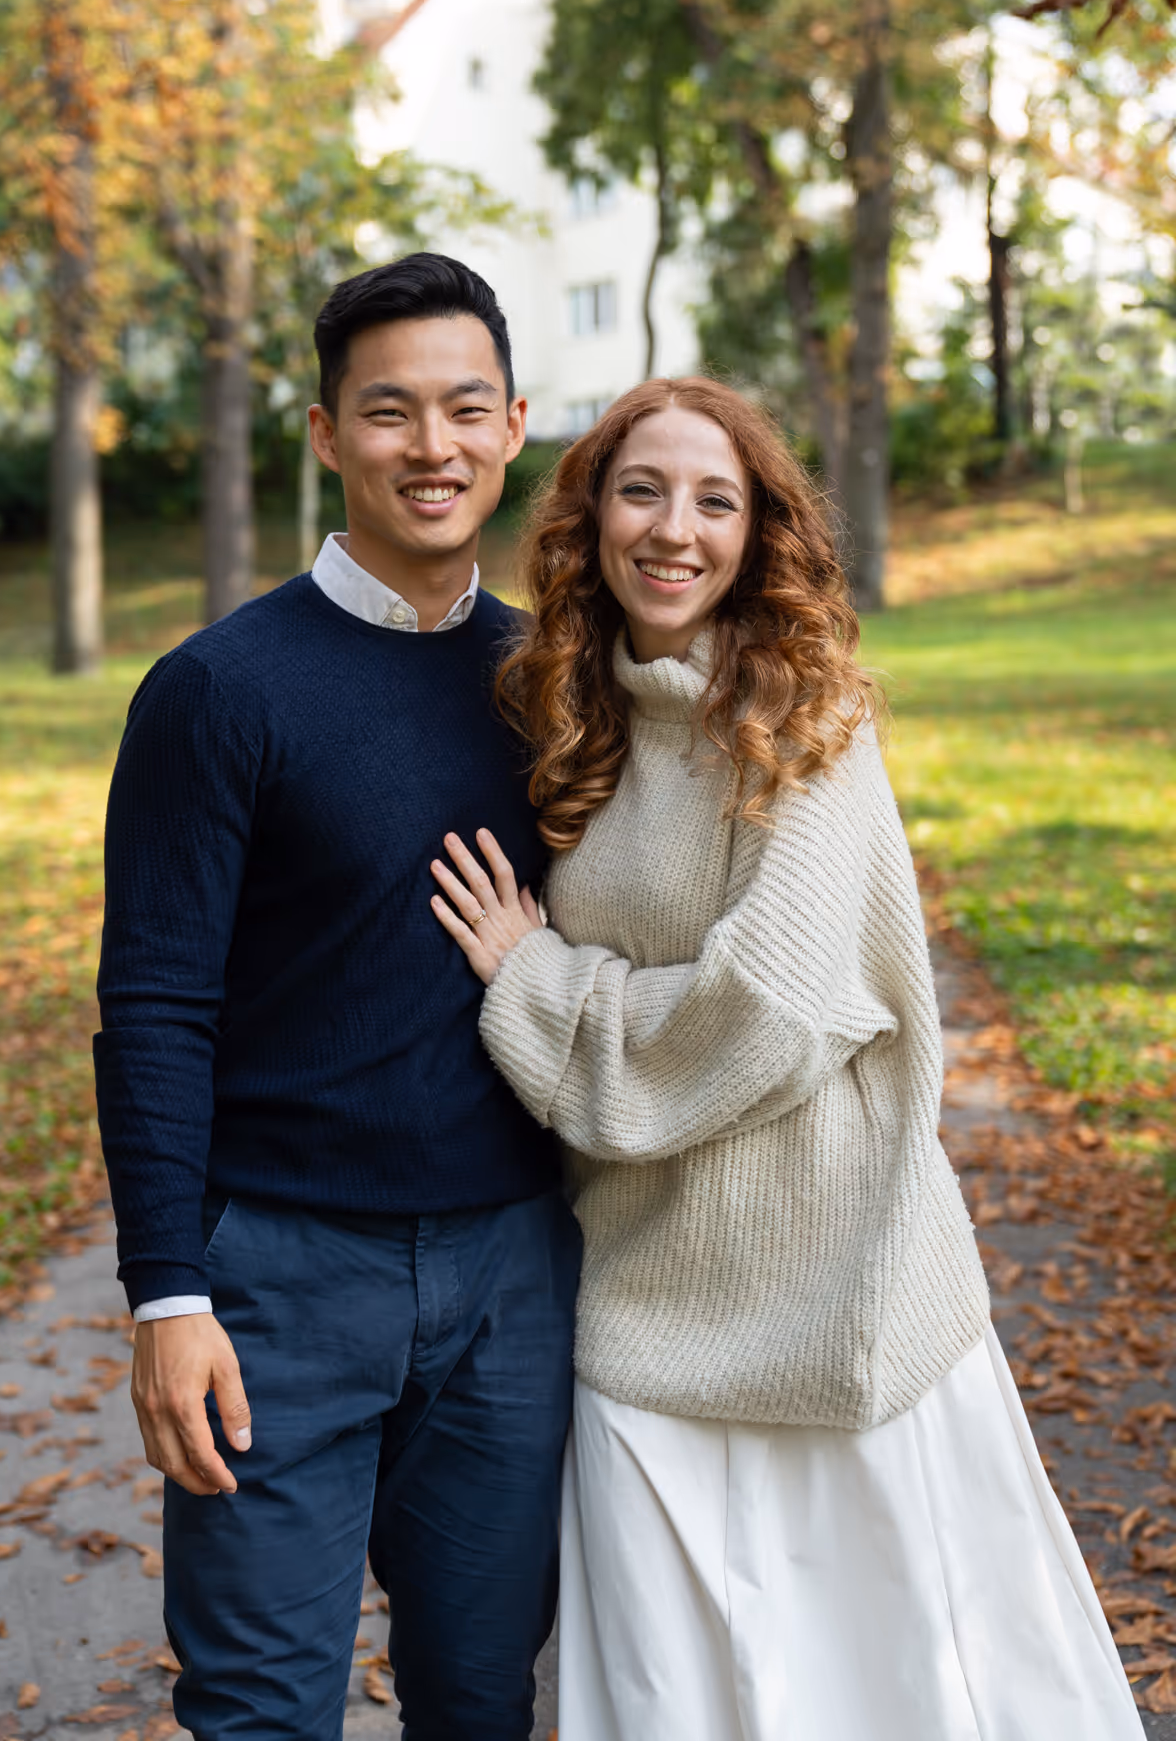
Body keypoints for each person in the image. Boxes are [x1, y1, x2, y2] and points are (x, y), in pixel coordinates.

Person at [431, 376, 1144, 1741]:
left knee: (907, 1695)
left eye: (717, 500)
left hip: (841, 1296)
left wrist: (538, 986)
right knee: (681, 1701)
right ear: (591, 519)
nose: (675, 530)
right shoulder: (568, 722)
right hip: (642, 1304)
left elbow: (768, 1007)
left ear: (762, 532)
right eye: (642, 491)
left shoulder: (813, 721)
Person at [94, 252, 581, 1741]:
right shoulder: (218, 691)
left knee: (482, 1699)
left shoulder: (553, 685)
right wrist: (168, 1293)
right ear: (324, 435)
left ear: (511, 428)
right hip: (282, 1286)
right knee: (259, 1713)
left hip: (512, 1277)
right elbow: (157, 1005)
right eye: (387, 413)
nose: (428, 447)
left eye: (461, 410)